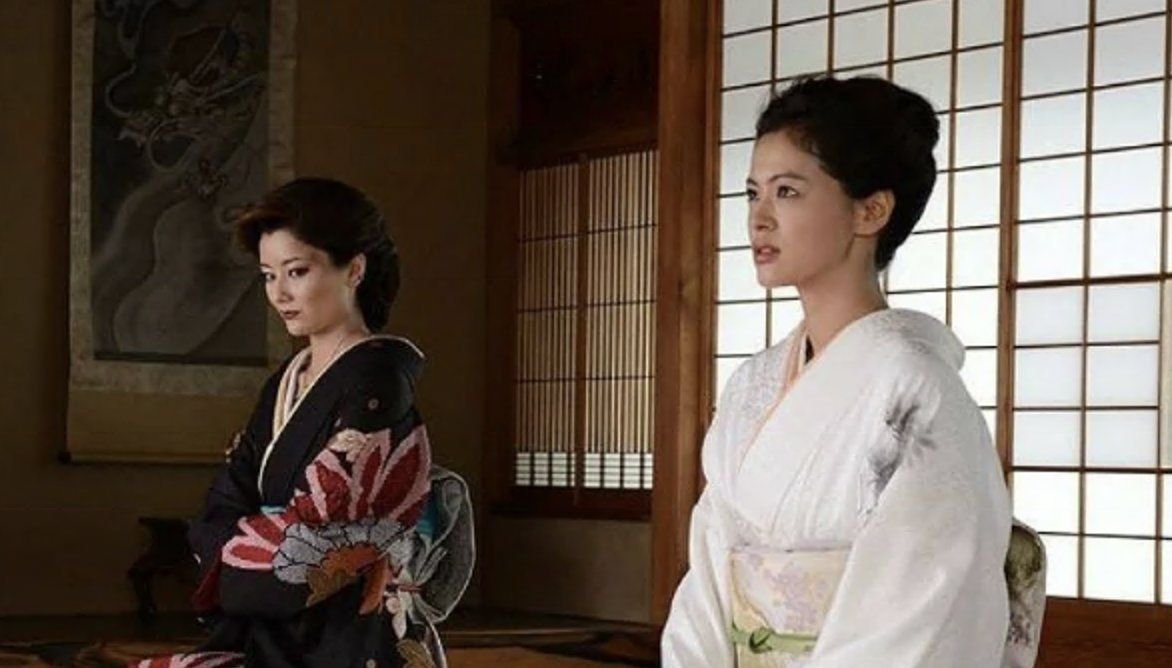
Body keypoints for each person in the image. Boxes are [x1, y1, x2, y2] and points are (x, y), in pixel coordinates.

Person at [661, 76, 1019, 667]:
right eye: (752, 193)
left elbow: (924, 607)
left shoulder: (916, 391)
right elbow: (708, 569)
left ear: (870, 210)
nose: (759, 219)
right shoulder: (751, 385)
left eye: (787, 192)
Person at [137, 178, 471, 668]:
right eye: (267, 276)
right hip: (276, 620)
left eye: (296, 271)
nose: (279, 294)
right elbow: (229, 492)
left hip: (350, 627)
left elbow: (331, 517)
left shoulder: (378, 377)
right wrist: (242, 542)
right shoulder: (286, 381)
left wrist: (245, 548)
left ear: (354, 269)